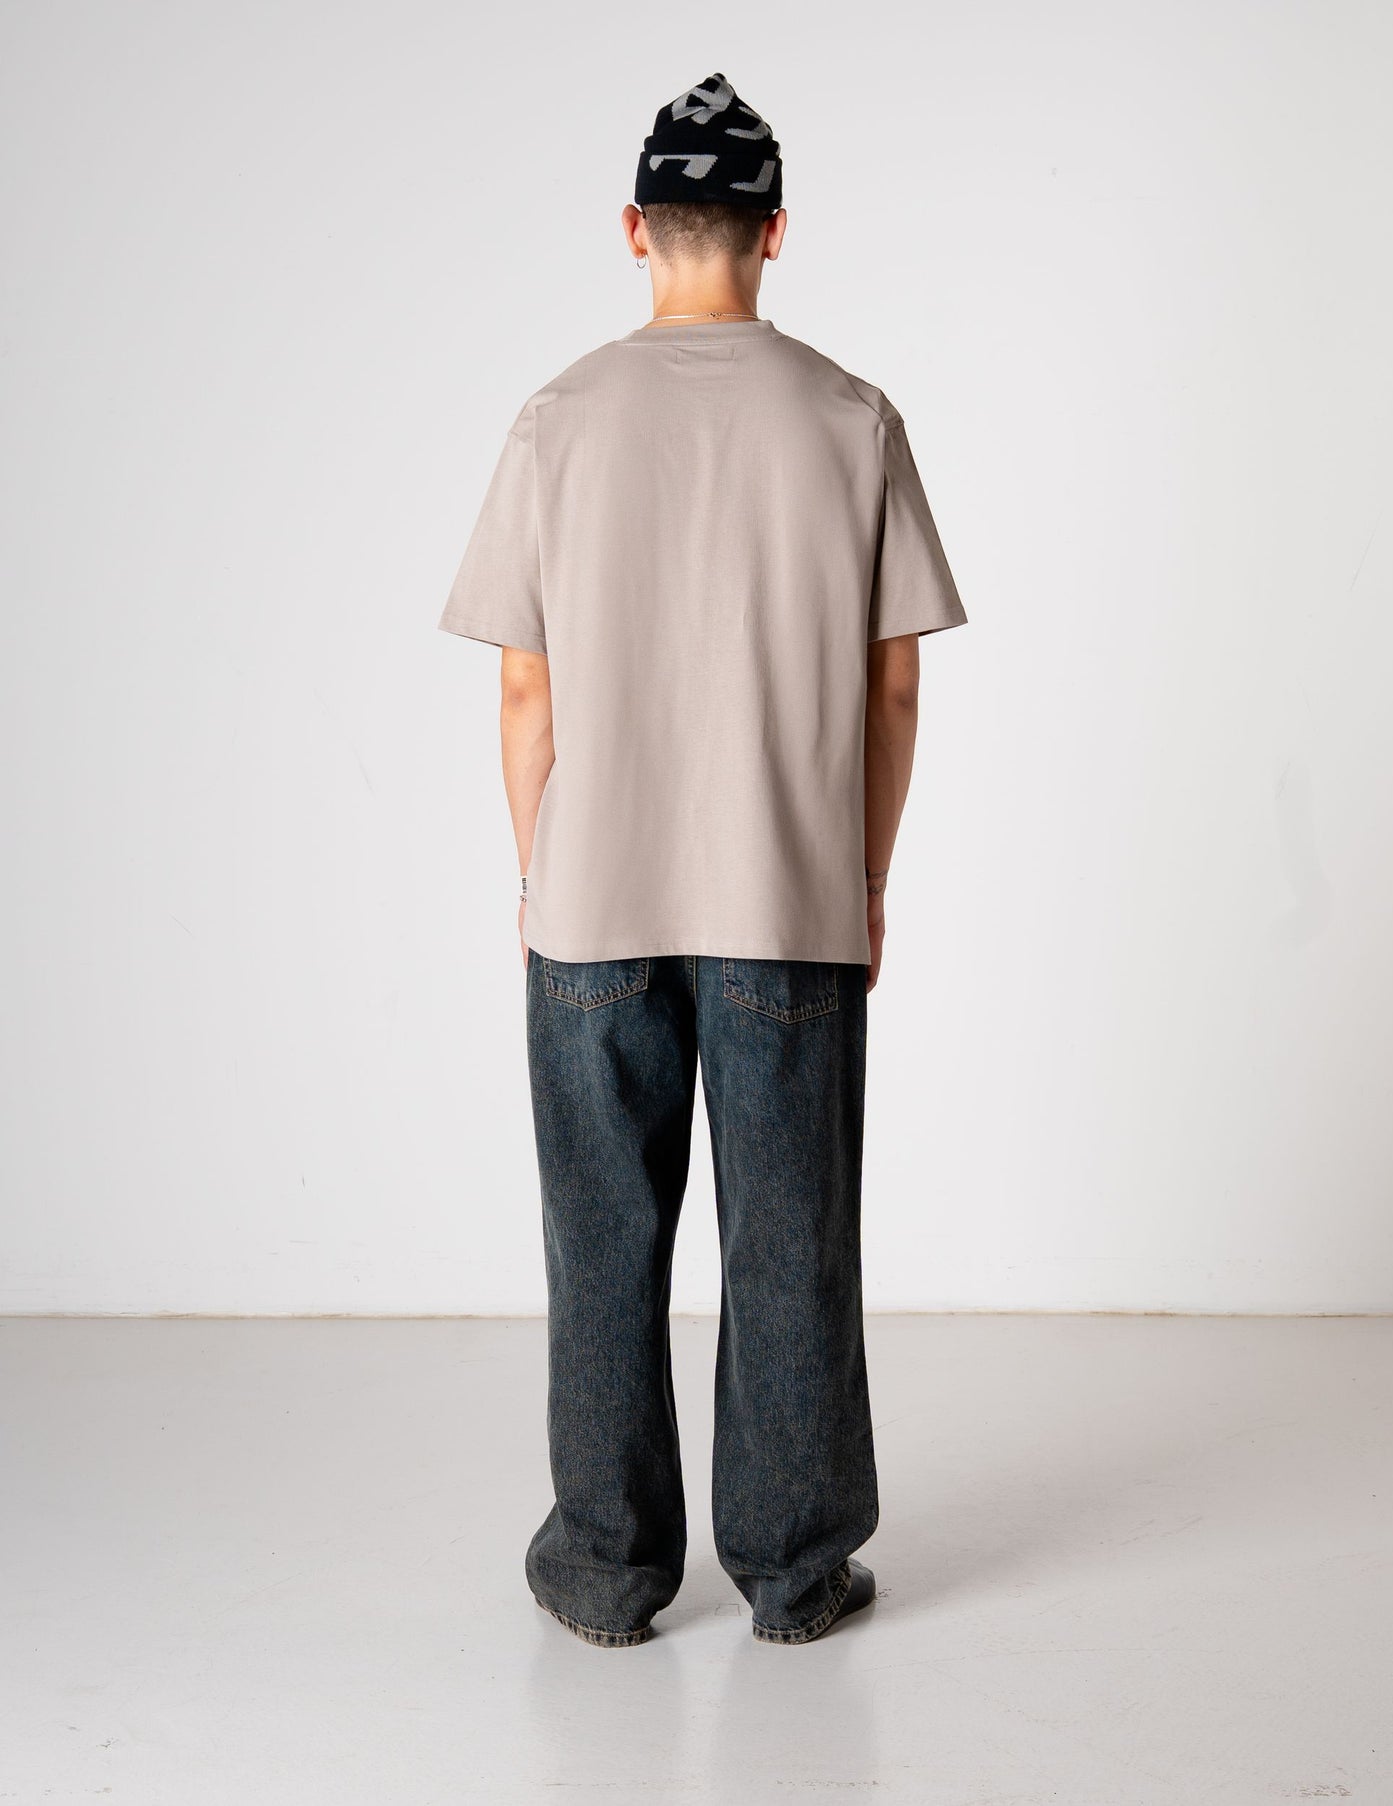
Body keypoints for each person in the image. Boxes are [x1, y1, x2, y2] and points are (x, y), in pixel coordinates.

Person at [438, 70, 967, 1648]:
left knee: (601, 1242)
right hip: (785, 897)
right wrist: (861, 875)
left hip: (592, 898)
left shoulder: (558, 417)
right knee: (789, 1243)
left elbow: (523, 682)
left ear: (633, 229)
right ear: (774, 231)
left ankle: (605, 1568)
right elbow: (891, 682)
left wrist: (539, 869)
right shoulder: (849, 417)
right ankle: (794, 1574)